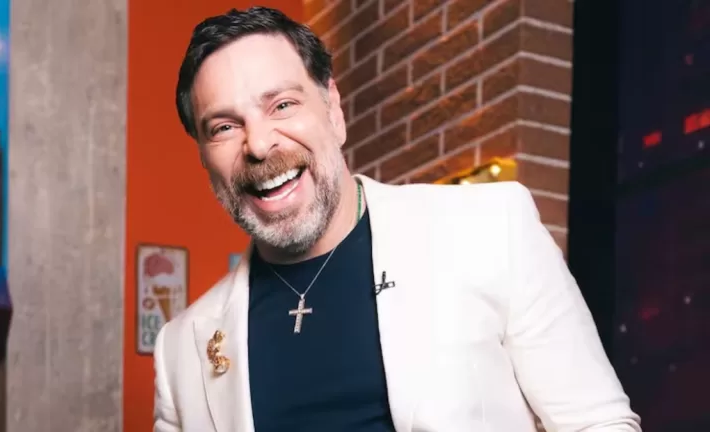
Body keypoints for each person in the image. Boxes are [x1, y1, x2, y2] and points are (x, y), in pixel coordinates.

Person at [153, 6, 640, 432]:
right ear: (204, 157)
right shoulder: (181, 351)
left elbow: (598, 423)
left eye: (282, 105)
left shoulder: (492, 228)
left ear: (333, 111)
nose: (259, 144)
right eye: (224, 126)